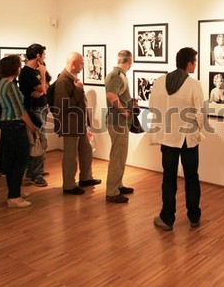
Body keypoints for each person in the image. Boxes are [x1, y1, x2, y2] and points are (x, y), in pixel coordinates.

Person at [149, 47, 205, 231]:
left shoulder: (158, 82)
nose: (195, 65)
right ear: (189, 64)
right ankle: (194, 216)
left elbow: (153, 107)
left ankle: (167, 218)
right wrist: (197, 131)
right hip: (188, 138)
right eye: (195, 62)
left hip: (167, 138)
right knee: (191, 177)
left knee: (168, 178)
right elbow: (200, 113)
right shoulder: (193, 84)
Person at [53, 52, 102, 195]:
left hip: (79, 124)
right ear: (73, 63)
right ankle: (68, 184)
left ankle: (85, 177)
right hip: (70, 125)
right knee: (70, 155)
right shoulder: (63, 80)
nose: (82, 67)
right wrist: (79, 90)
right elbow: (64, 105)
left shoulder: (72, 78)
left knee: (86, 150)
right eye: (81, 64)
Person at [0, 55, 39, 208]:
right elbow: (19, 110)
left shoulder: (1, 83)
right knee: (21, 160)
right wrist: (31, 126)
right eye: (18, 66)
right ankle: (14, 197)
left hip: (6, 125)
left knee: (10, 160)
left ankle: (14, 191)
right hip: (15, 125)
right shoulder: (10, 86)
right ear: (15, 69)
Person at [104, 50, 136, 203]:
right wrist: (124, 111)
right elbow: (111, 95)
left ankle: (118, 185)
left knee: (120, 154)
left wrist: (129, 103)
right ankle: (112, 191)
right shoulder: (117, 76)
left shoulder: (117, 74)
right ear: (130, 61)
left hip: (118, 121)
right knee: (117, 156)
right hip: (117, 122)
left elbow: (117, 95)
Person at [18, 43, 49, 187]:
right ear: (37, 56)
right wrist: (42, 76)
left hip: (40, 108)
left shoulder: (35, 70)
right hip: (34, 110)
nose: (44, 57)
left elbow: (45, 88)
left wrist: (42, 88)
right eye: (43, 55)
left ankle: (35, 172)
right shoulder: (27, 72)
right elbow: (43, 87)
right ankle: (35, 175)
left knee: (40, 142)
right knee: (38, 142)